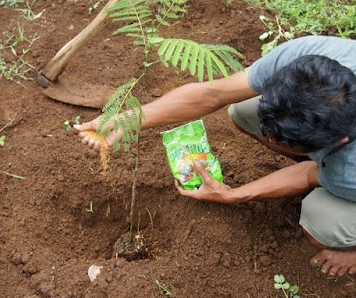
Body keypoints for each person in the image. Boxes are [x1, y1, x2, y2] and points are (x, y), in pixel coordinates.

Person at [74, 35, 356, 278]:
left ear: (338, 140)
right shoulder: (307, 60)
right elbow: (215, 93)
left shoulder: (350, 170)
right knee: (242, 109)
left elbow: (308, 175)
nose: (270, 141)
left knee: (320, 223)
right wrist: (129, 119)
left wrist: (233, 195)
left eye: (285, 143)